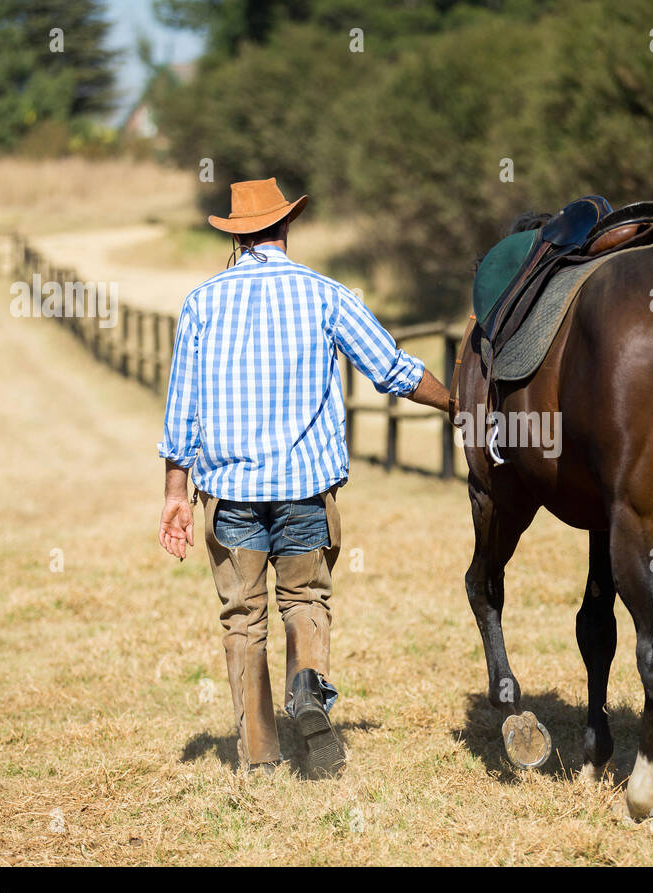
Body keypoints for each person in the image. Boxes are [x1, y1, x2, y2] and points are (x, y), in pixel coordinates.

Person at [156, 178, 449, 777]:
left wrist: (173, 494)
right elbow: (391, 369)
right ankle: (309, 692)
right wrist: (458, 404)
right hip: (305, 489)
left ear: (236, 236)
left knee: (244, 616)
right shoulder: (325, 295)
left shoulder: (201, 302)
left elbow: (181, 408)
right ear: (286, 227)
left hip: (232, 495)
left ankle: (260, 754)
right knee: (306, 600)